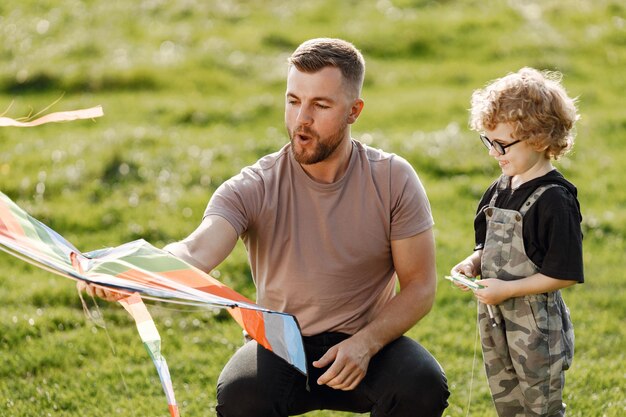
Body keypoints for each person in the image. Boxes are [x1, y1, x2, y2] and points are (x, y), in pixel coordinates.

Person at [84, 38, 449, 416]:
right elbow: (195, 251)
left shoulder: (393, 179)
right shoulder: (254, 185)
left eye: (320, 105)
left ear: (353, 111)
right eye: (293, 101)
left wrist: (367, 343)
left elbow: (420, 285)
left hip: (363, 345)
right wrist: (134, 266)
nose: (301, 119)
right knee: (241, 394)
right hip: (281, 347)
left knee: (422, 386)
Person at [450, 67, 584, 417]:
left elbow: (565, 273)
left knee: (540, 407)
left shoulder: (554, 200)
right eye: (488, 141)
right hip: (496, 320)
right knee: (508, 404)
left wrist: (507, 290)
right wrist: (472, 263)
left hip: (536, 328)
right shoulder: (499, 189)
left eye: (503, 144)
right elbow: (487, 246)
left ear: (539, 138)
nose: (494, 152)